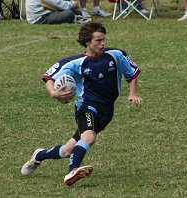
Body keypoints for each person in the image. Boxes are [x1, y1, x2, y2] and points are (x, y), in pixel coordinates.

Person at [21, 21, 143, 186]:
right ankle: (72, 171)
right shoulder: (75, 63)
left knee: (68, 150)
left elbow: (132, 73)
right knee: (89, 137)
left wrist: (132, 93)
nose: (103, 43)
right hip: (86, 106)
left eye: (103, 39)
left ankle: (39, 156)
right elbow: (49, 77)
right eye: (98, 40)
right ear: (87, 42)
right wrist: (53, 92)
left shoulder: (116, 55)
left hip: (106, 111)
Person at [26, 0, 90, 24]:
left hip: (45, 12)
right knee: (69, 13)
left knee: (70, 10)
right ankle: (76, 18)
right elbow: (57, 3)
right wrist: (73, 4)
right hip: (40, 18)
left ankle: (76, 15)